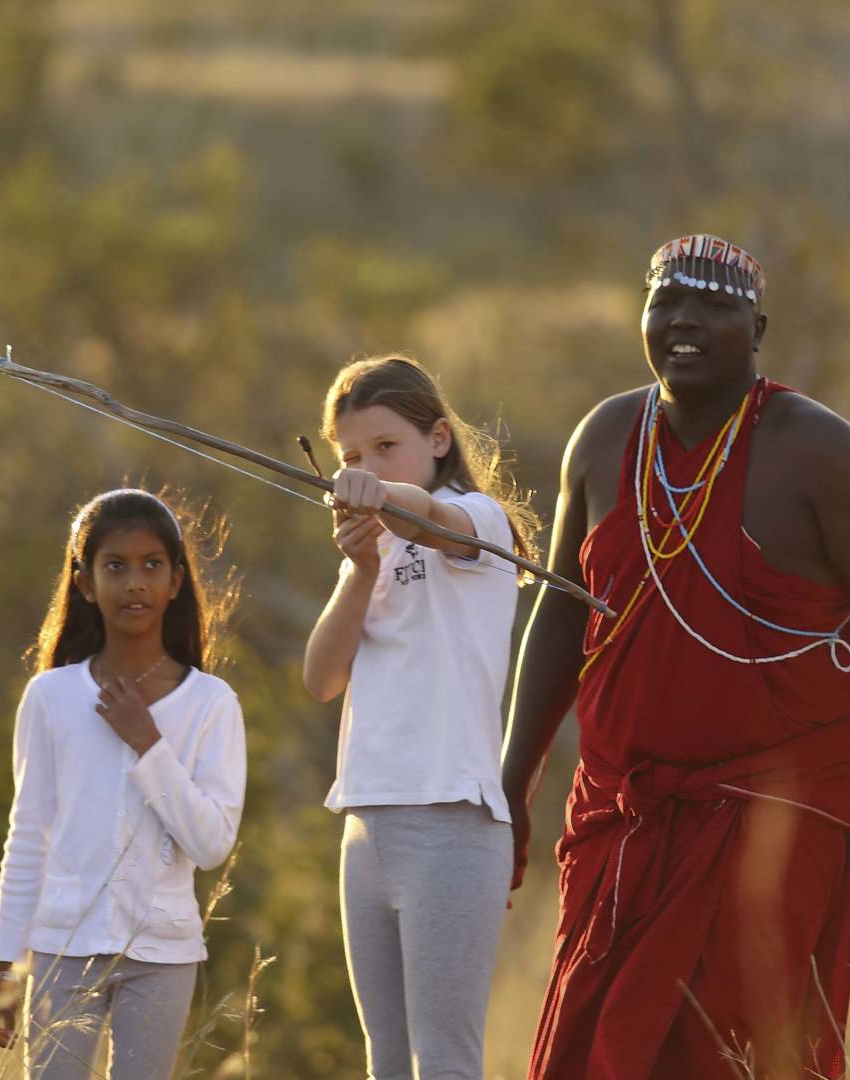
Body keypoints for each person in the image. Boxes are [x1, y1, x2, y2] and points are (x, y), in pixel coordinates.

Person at [501, 235, 850, 1078]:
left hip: (776, 823)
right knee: (593, 1049)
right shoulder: (605, 438)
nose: (683, 320)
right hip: (624, 816)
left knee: (742, 1052)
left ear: (758, 328)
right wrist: (510, 783)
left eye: (712, 306)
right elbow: (561, 617)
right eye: (664, 301)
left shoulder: (820, 453)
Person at [302, 354, 541, 1080]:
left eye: (385, 447)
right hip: (366, 824)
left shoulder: (477, 518)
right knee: (387, 1061)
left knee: (442, 1061)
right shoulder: (368, 550)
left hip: (450, 822)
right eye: (351, 457)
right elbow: (320, 679)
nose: (366, 467)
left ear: (438, 439)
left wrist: (384, 500)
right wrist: (364, 568)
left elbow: (432, 518)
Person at [0, 488, 246, 1079]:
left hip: (163, 957)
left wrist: (148, 744)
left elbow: (211, 845)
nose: (135, 583)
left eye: (153, 565)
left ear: (176, 580)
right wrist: (2, 967)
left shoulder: (211, 704)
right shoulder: (50, 696)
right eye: (115, 566)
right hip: (61, 950)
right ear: (83, 581)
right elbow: (27, 837)